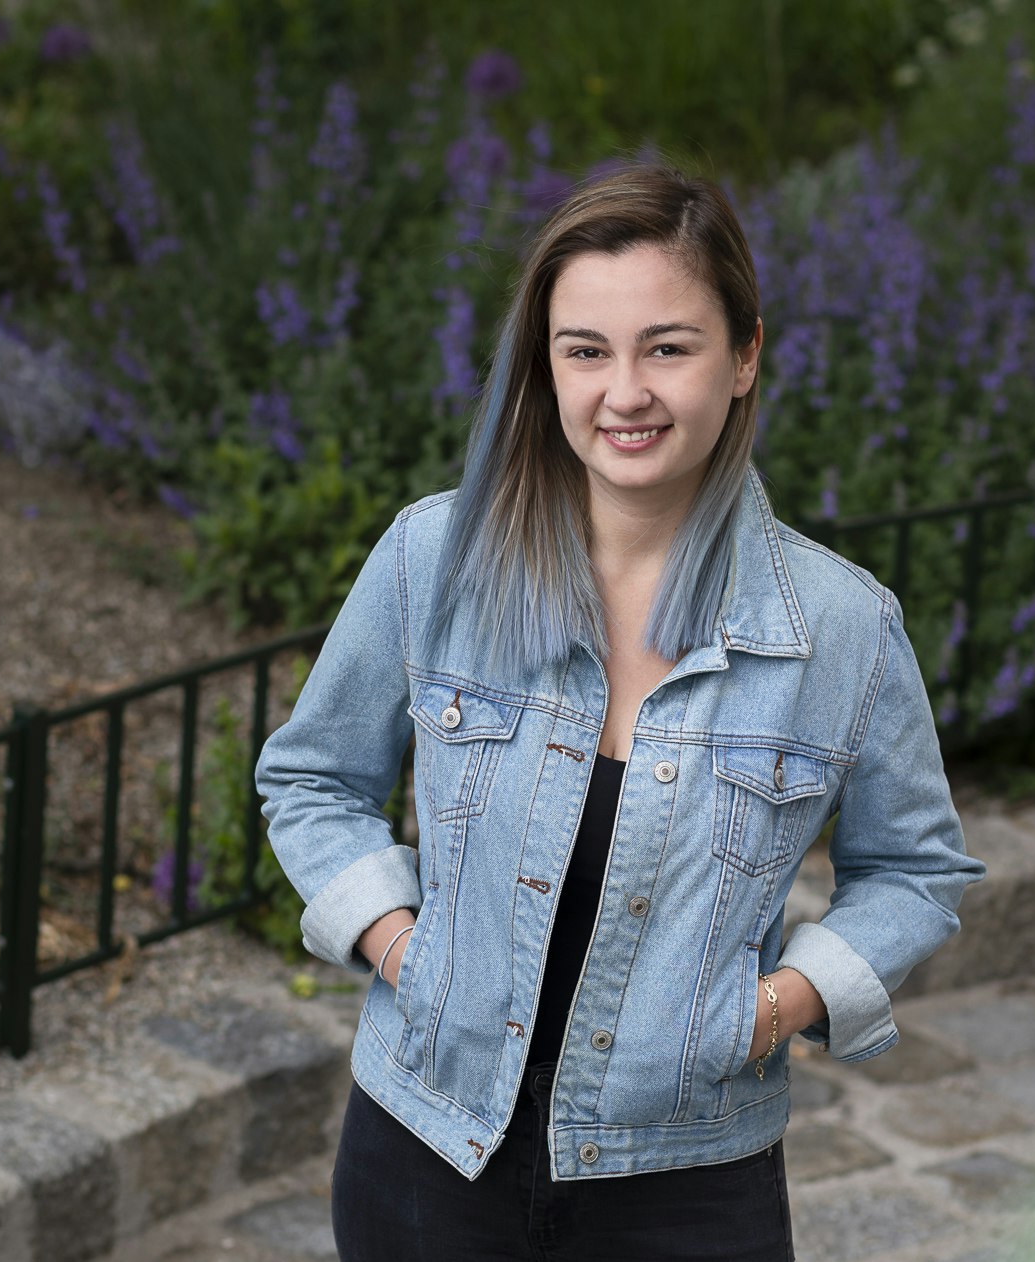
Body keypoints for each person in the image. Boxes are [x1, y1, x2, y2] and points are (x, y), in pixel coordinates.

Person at [254, 161, 988, 1260]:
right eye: (585, 350)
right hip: (425, 1152)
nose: (625, 391)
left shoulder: (841, 628)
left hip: (690, 1187)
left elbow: (918, 870)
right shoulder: (433, 558)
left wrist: (773, 1008)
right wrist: (403, 946)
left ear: (744, 357)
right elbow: (311, 778)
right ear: (544, 367)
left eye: (668, 346)